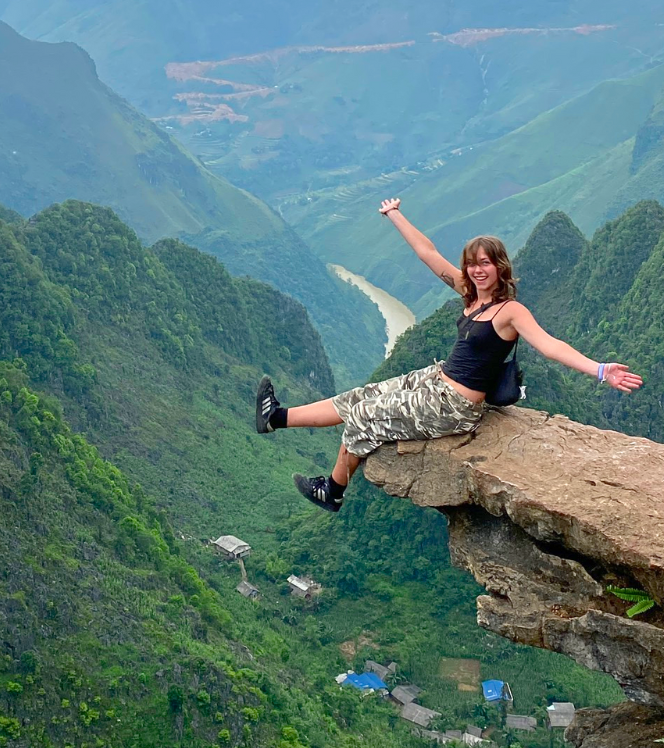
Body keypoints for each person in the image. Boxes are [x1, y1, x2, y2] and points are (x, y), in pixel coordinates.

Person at [255, 197, 643, 512]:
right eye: (472, 264)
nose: (477, 271)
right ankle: (276, 418)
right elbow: (428, 253)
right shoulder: (469, 295)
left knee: (362, 418)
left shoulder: (509, 311)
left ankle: (333, 491)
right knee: (361, 397)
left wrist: (600, 370)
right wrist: (395, 215)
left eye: (485, 264)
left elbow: (549, 345)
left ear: (500, 267)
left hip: (455, 405)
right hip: (437, 379)